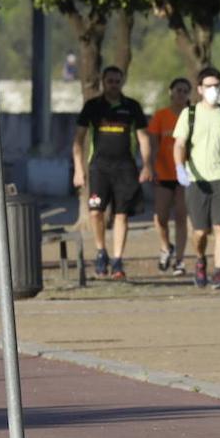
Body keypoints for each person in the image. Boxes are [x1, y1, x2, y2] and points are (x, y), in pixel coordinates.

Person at [73, 66, 153, 280]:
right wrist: (79, 170)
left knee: (121, 214)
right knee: (95, 212)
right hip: (98, 167)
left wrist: (147, 165)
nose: (113, 85)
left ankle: (118, 259)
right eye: (110, 81)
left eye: (117, 81)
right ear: (103, 81)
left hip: (125, 167)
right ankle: (101, 251)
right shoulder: (92, 106)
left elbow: (143, 138)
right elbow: (78, 141)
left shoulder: (132, 107)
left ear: (122, 82)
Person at [173, 66, 220, 289]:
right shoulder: (189, 114)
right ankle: (200, 259)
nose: (213, 90)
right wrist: (180, 167)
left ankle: (219, 271)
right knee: (200, 231)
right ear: (200, 89)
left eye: (216, 85)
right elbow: (179, 144)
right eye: (209, 86)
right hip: (197, 180)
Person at [146, 77, 192, 275]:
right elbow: (152, 142)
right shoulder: (160, 115)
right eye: (178, 90)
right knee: (161, 217)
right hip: (163, 172)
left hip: (185, 175)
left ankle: (180, 260)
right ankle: (166, 246)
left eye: (184, 91)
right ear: (170, 92)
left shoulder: (192, 116)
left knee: (181, 216)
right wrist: (150, 165)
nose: (181, 94)